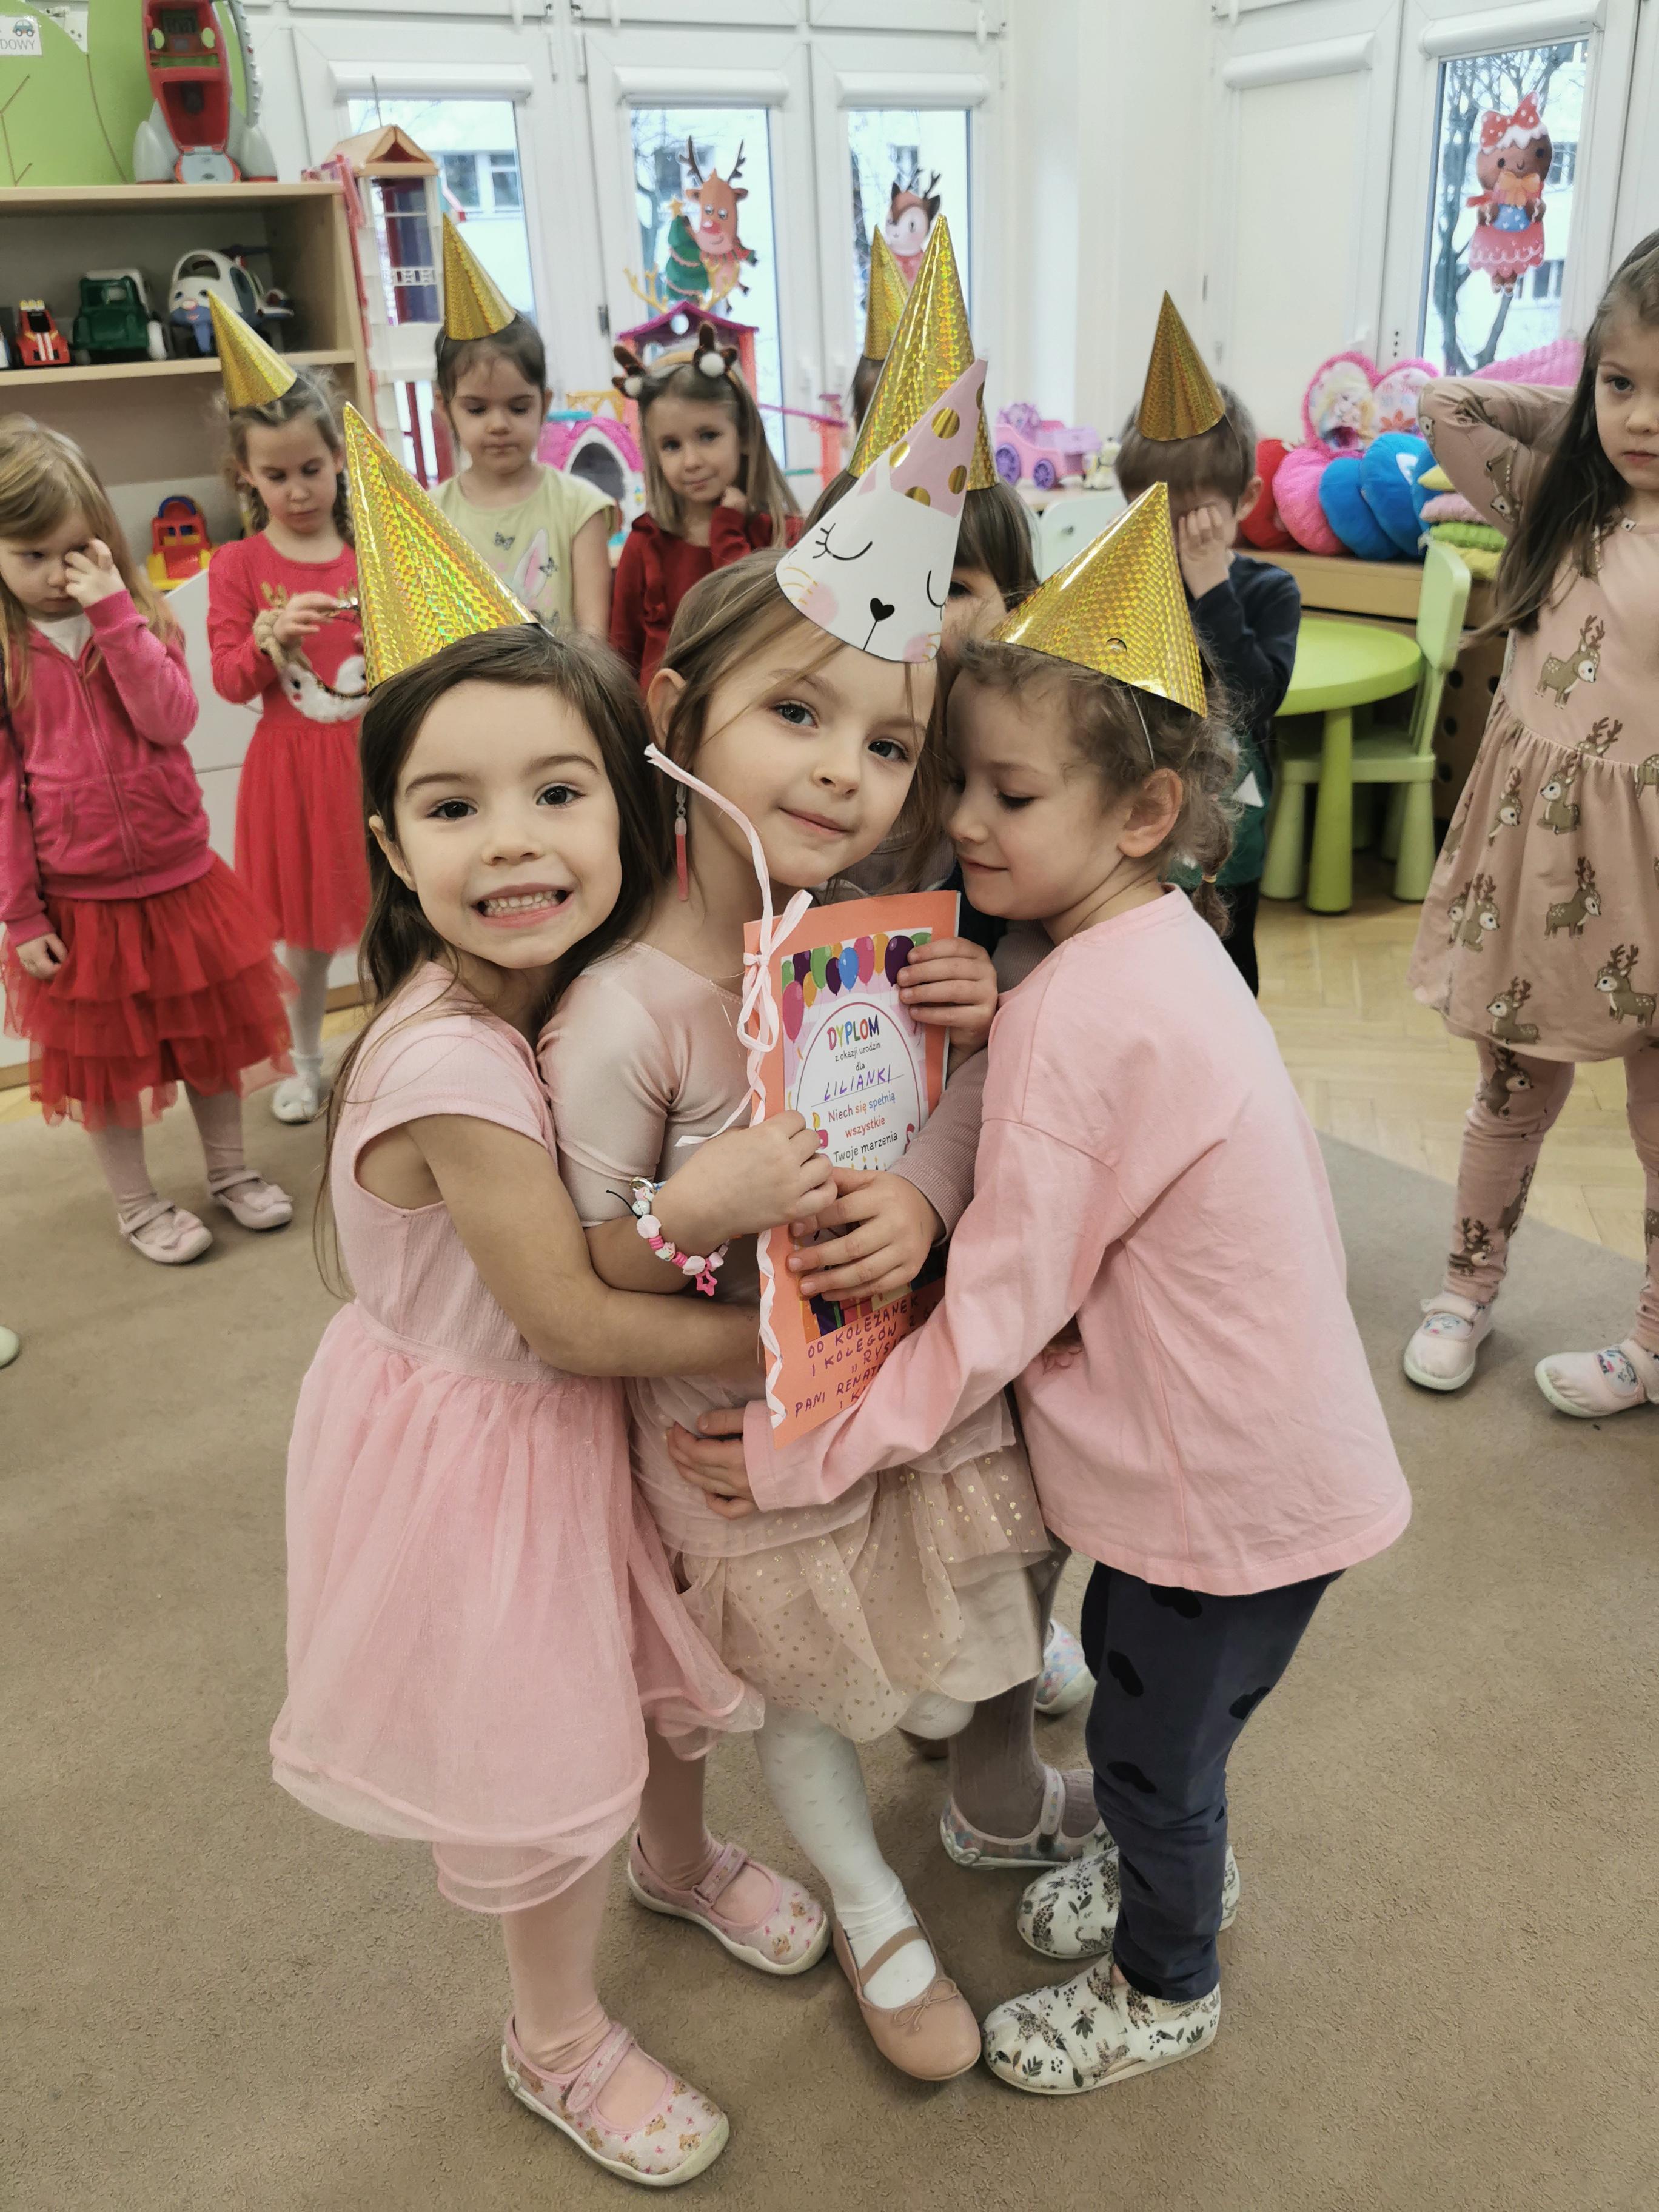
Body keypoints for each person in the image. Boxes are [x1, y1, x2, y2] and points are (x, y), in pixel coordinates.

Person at [668, 484, 1410, 2096]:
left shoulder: (1076, 1014)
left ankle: (1167, 1981)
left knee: (1150, 1754)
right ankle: (1164, 1862)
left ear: (1144, 812)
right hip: (1250, 1462)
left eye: (1007, 793)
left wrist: (809, 1454)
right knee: (1157, 1712)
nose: (965, 821)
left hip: (1220, 1492)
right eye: (958, 783)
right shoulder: (1152, 945)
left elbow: (993, 1316)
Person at [272, 417, 825, 2189]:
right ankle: (555, 2031)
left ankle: (679, 1859)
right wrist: (780, 1351)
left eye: (556, 793)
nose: (511, 843)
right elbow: (572, 1323)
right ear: (389, 841)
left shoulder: (569, 994)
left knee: (659, 1671)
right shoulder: (450, 1065)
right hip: (487, 1448)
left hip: (572, 1423)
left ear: (632, 808)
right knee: (551, 1749)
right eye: (453, 807)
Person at [543, 364, 1056, 2083]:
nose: (846, 771)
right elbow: (599, 1254)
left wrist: (950, 1100)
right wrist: (697, 1206)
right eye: (796, 714)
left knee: (950, 1616)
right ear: (678, 711)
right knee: (802, 1674)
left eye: (889, 743)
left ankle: (968, 1770)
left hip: (885, 1368)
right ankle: (866, 1901)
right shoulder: (621, 1011)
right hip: (727, 1416)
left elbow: (949, 1125)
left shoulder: (878, 936)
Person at [1403, 230, 1659, 1418]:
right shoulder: (1555, 507)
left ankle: (1654, 1341)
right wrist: (1579, 425)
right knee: (1509, 1096)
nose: (1643, 418)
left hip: (1650, 874)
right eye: (1623, 383)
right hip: (1540, 869)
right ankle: (1464, 1291)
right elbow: (1445, 407)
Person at [0, 415, 292, 1264]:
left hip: (181, 880)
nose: (58, 574)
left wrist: (113, 615)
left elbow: (170, 719)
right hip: (80, 903)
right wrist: (20, 916)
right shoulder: (7, 655)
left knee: (212, 1042)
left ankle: (230, 1171)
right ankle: (136, 1205)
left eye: (76, 551)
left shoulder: (140, 618)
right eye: (32, 555)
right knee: (106, 1069)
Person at [207, 306, 367, 1126]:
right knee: (303, 940)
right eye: (277, 476)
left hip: (373, 762)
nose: (298, 490)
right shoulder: (238, 564)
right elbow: (228, 679)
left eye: (311, 467)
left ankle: (397, 1055)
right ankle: (306, 1065)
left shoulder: (369, 554)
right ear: (246, 476)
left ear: (339, 457)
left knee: (396, 923)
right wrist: (270, 640)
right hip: (291, 776)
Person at [1115, 298, 1300, 997]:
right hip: (1137, 819)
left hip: (1231, 824)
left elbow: (1254, 699)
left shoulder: (1269, 591)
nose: (1171, 538)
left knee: (1227, 958)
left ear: (1245, 498)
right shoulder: (1127, 584)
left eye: (1191, 518)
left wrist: (1210, 585)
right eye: (1150, 515)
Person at [431, 216, 612, 642]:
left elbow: (592, 641)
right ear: (444, 407)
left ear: (544, 404)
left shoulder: (579, 508)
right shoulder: (430, 516)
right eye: (477, 409)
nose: (499, 425)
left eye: (518, 407)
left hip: (559, 683)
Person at [608, 324, 800, 687]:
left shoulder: (784, 535)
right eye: (671, 445)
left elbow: (752, 623)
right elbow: (620, 661)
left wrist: (726, 530)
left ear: (745, 436)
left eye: (708, 436)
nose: (691, 461)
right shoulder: (645, 545)